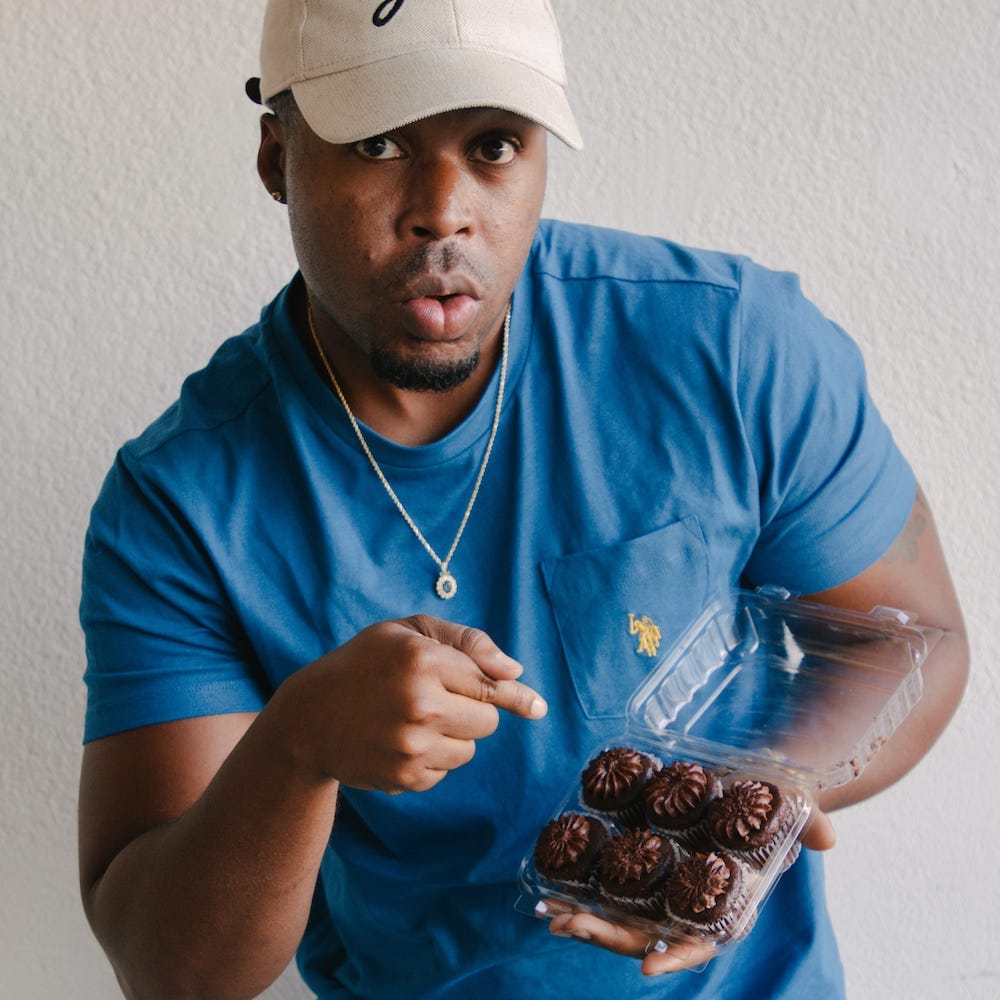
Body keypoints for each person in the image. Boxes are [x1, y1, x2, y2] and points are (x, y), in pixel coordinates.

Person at [77, 1, 968, 997]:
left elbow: (908, 635)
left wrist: (737, 811)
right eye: (378, 143)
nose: (443, 210)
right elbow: (170, 968)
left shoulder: (729, 346)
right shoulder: (181, 502)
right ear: (276, 156)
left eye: (494, 144)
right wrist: (296, 747)